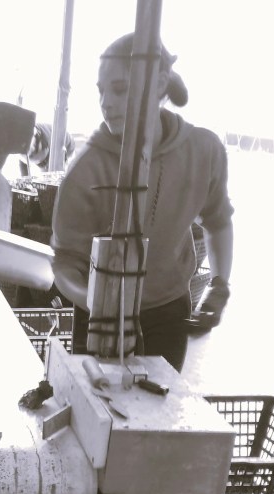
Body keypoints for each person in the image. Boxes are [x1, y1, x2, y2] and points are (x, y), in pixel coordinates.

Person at [50, 33, 234, 371]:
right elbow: (64, 263)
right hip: (99, 318)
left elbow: (218, 221)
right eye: (101, 91)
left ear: (160, 83)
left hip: (168, 311)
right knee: (97, 400)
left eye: (119, 89)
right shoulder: (86, 168)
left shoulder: (203, 151)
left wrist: (220, 287)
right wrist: (97, 303)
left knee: (159, 399)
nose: (105, 102)